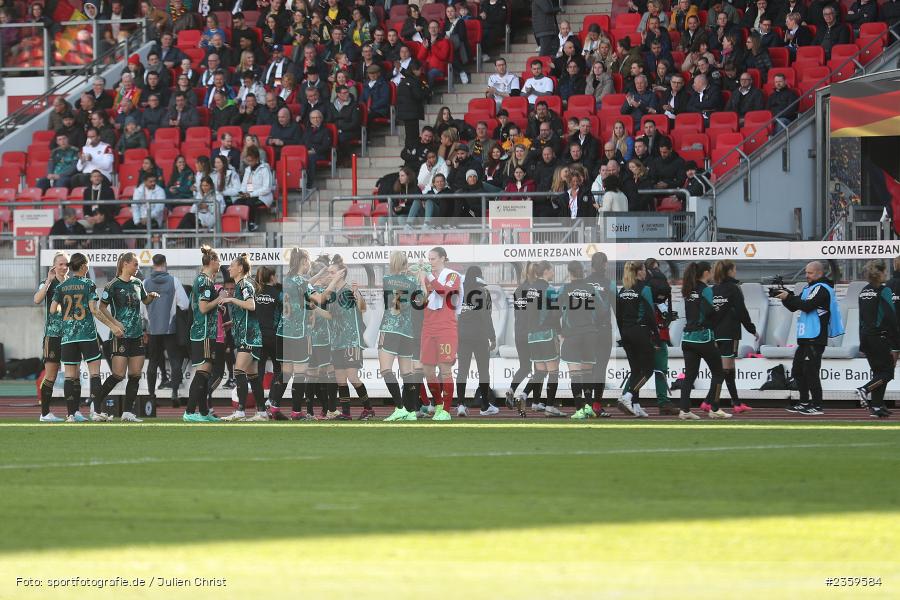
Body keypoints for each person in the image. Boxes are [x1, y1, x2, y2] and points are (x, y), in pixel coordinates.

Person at [50, 253, 119, 422]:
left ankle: (71, 414)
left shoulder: (62, 286)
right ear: (82, 267)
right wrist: (113, 326)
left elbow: (52, 310)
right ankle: (96, 412)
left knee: (70, 376)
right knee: (94, 374)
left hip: (68, 337)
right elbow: (94, 310)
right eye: (87, 265)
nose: (88, 268)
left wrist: (67, 314)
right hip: (87, 335)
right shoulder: (88, 284)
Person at [92, 253, 159, 422]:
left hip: (136, 334)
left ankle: (128, 412)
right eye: (135, 264)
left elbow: (145, 300)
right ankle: (96, 406)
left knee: (135, 374)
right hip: (120, 335)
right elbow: (102, 308)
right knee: (118, 374)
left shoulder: (138, 283)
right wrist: (115, 323)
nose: (137, 268)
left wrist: (151, 296)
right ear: (125, 264)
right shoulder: (112, 285)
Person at [775, 261, 843, 415]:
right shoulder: (809, 288)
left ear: (819, 273)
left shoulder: (822, 288)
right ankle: (804, 401)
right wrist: (785, 297)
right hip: (806, 337)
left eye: (810, 273)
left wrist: (789, 297)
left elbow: (807, 305)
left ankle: (817, 405)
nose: (806, 275)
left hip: (815, 336)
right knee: (798, 371)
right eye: (806, 272)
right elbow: (795, 306)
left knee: (811, 371)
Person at [219, 254, 268, 422]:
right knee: (252, 376)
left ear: (240, 268)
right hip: (245, 334)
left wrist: (231, 299)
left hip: (249, 336)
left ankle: (240, 411)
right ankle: (262, 413)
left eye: (232, 265)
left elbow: (251, 305)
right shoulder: (241, 284)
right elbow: (247, 312)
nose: (229, 268)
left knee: (238, 370)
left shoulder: (244, 285)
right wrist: (232, 322)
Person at [678, 261, 730, 420]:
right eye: (711, 271)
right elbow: (709, 313)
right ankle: (714, 408)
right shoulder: (706, 290)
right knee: (718, 373)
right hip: (703, 338)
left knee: (690, 376)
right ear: (706, 273)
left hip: (687, 338)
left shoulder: (687, 289)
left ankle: (684, 410)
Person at [706, 260, 758, 415]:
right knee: (725, 370)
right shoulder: (734, 289)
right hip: (729, 333)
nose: (736, 272)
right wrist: (752, 329)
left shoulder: (713, 289)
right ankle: (711, 402)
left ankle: (735, 402)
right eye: (734, 269)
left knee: (726, 369)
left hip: (714, 334)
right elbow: (742, 311)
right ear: (729, 271)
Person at [416, 247, 461, 420]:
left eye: (433, 258)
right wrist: (420, 281)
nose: (430, 262)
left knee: (445, 369)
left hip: (446, 327)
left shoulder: (452, 276)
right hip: (428, 326)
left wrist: (428, 277)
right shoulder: (427, 277)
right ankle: (439, 404)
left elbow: (444, 292)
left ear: (443, 258)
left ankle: (447, 411)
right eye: (429, 259)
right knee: (427, 369)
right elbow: (421, 300)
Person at [326, 256, 372, 420]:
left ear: (341, 274)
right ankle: (346, 413)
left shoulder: (347, 290)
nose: (329, 275)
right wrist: (313, 309)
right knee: (340, 379)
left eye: (332, 272)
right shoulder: (333, 293)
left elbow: (363, 308)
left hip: (351, 340)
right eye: (329, 272)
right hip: (337, 342)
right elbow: (331, 316)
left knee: (352, 377)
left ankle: (368, 408)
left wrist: (357, 294)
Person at [381, 252, 423, 422]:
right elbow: (420, 301)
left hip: (391, 328)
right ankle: (412, 411)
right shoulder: (413, 281)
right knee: (408, 373)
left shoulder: (387, 279)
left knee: (386, 369)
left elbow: (394, 303)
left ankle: (399, 408)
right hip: (408, 331)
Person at [184, 246, 224, 422]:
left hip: (203, 331)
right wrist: (220, 298)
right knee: (203, 371)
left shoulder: (202, 280)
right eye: (219, 260)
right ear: (212, 261)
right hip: (204, 332)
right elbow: (203, 307)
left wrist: (217, 304)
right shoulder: (205, 282)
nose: (220, 264)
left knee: (205, 373)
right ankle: (190, 412)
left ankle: (203, 412)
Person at [144, 254, 189, 409]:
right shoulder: (174, 281)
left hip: (153, 328)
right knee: (175, 361)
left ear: (153, 264)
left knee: (153, 363)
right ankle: (174, 393)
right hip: (170, 328)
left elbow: (142, 308)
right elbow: (184, 304)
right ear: (165, 264)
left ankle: (151, 396)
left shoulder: (145, 283)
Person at [516, 260, 561, 416]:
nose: (553, 273)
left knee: (540, 372)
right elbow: (556, 315)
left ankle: (524, 394)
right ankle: (550, 406)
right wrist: (560, 332)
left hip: (532, 336)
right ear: (546, 271)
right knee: (554, 371)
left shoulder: (529, 290)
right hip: (546, 334)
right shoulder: (550, 289)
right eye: (552, 270)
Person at [615, 261, 656, 418]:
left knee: (635, 370)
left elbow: (619, 316)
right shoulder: (645, 289)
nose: (645, 272)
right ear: (639, 272)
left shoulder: (622, 290)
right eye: (644, 269)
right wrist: (657, 338)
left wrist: (623, 335)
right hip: (640, 332)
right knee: (648, 370)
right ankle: (628, 396)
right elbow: (650, 315)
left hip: (626, 333)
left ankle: (636, 405)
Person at [857, 260, 897, 419]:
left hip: (866, 337)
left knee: (878, 373)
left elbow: (860, 318)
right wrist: (896, 343)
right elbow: (891, 317)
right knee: (887, 373)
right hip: (879, 337)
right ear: (881, 272)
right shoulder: (884, 290)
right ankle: (864, 390)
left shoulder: (863, 290)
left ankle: (877, 406)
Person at [456, 266, 498, 417]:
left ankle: (460, 404)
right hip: (480, 336)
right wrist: (492, 337)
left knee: (462, 371)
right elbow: (487, 316)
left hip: (462, 336)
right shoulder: (483, 292)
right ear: (479, 276)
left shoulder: (460, 292)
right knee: (483, 372)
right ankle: (485, 406)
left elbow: (456, 316)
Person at [34, 253, 69, 422]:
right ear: (54, 266)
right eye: (60, 264)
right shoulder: (47, 283)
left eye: (66, 264)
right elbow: (37, 299)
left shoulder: (72, 283)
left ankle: (73, 413)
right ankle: (45, 413)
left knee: (73, 374)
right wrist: (48, 281)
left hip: (71, 335)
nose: (64, 267)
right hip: (53, 335)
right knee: (51, 375)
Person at [237, 146, 274, 231]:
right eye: (248, 161)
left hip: (263, 197)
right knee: (237, 202)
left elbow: (267, 188)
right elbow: (244, 185)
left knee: (250, 203)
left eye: (251, 161)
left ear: (257, 159)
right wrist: (242, 192)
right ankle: (238, 225)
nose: (249, 163)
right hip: (249, 195)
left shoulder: (265, 169)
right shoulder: (248, 169)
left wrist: (250, 194)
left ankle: (251, 224)